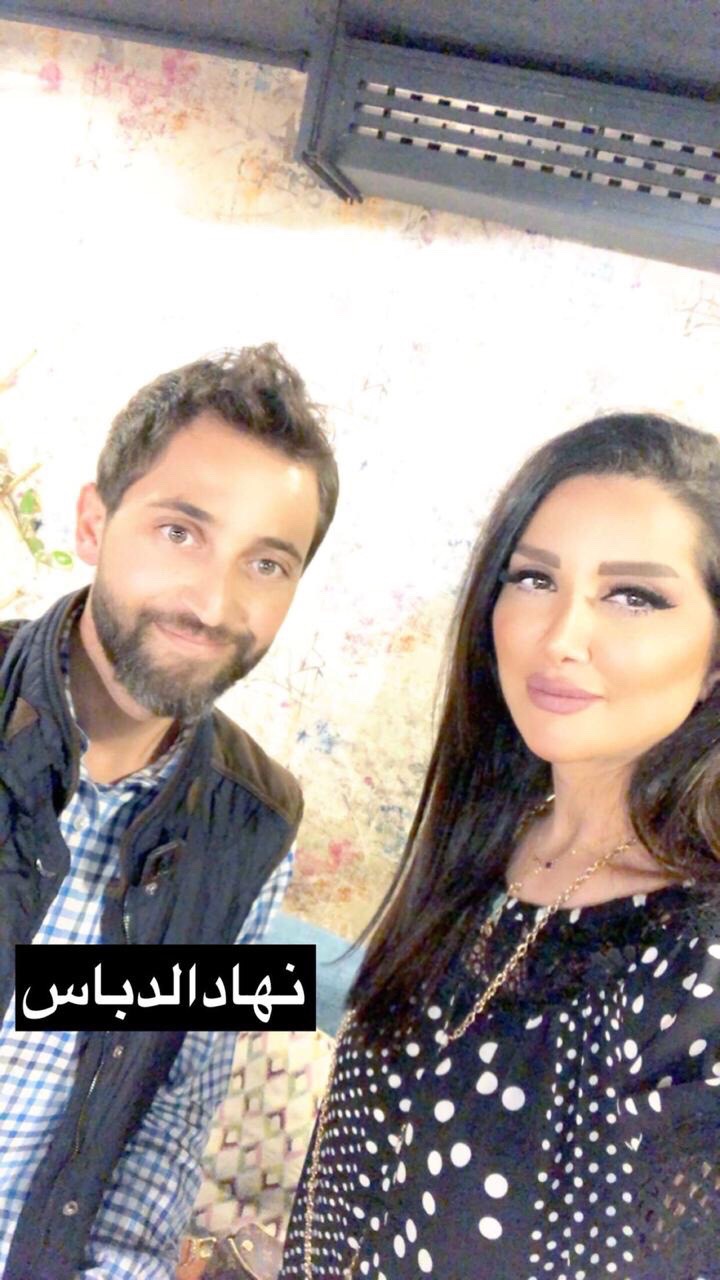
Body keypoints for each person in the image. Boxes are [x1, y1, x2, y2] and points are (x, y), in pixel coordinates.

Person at [280, 412, 720, 1280]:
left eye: (634, 596)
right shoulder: (485, 849)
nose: (560, 636)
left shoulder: (696, 966)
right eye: (534, 579)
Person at [0, 344, 339, 1280]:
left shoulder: (253, 825)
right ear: (94, 522)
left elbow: (171, 1102)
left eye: (265, 562)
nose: (213, 603)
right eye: (180, 532)